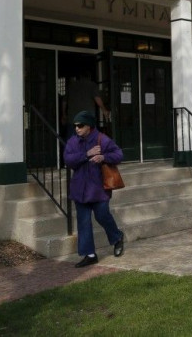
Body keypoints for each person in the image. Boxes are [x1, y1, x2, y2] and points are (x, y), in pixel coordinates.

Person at [64, 110, 125, 267]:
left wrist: (104, 157)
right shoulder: (72, 141)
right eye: (75, 125)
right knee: (83, 222)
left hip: (99, 189)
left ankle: (117, 237)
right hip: (79, 190)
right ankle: (90, 254)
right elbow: (68, 160)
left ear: (89, 126)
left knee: (102, 216)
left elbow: (119, 154)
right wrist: (86, 154)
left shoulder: (102, 140)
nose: (77, 128)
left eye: (80, 125)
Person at [62, 72, 109, 138]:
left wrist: (64, 114)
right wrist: (104, 110)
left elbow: (64, 101)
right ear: (89, 76)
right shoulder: (92, 85)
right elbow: (97, 98)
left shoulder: (71, 86)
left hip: (73, 118)